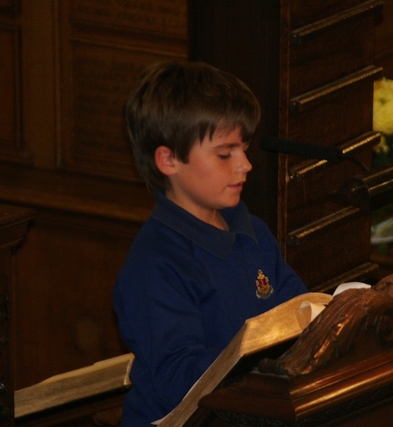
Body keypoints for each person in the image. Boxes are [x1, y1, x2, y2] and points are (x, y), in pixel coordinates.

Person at [113, 60, 308, 426]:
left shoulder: (252, 232)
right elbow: (181, 381)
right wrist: (258, 359)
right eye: (225, 154)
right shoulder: (155, 265)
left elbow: (296, 311)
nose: (245, 164)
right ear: (168, 159)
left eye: (244, 148)